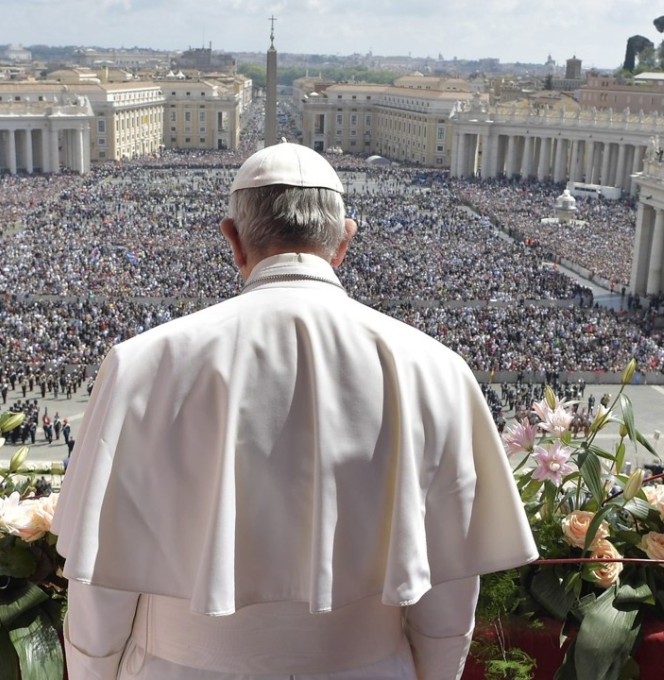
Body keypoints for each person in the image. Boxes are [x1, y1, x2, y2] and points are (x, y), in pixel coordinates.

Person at [52, 143, 538, 680]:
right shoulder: (436, 369)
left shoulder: (140, 364)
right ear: (343, 241)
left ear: (233, 241)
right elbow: (447, 591)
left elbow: (101, 586)